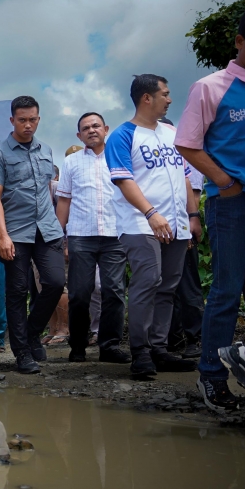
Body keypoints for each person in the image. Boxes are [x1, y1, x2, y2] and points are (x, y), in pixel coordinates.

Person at [176, 2, 245, 411]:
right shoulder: (211, 87)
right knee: (227, 291)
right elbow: (187, 143)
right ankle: (211, 377)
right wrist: (224, 183)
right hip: (231, 202)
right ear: (239, 42)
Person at [105, 74, 199, 380]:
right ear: (147, 97)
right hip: (140, 223)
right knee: (149, 279)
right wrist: (151, 213)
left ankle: (159, 349)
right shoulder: (123, 135)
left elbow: (184, 176)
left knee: (168, 285)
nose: (170, 99)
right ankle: (141, 352)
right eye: (165, 94)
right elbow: (123, 180)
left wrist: (192, 215)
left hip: (176, 224)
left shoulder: (172, 133)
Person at [0, 95, 65, 374]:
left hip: (47, 229)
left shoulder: (46, 150)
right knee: (17, 292)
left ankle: (31, 333)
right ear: (12, 120)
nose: (28, 125)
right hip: (15, 233)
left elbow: (46, 189)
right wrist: (2, 236)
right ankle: (21, 353)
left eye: (32, 120)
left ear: (38, 119)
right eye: (22, 120)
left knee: (55, 282)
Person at [55, 112, 129, 364]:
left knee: (114, 291)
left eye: (96, 125)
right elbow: (64, 200)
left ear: (106, 128)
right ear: (79, 135)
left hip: (115, 234)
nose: (91, 130)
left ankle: (109, 346)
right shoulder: (72, 162)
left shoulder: (120, 156)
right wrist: (60, 236)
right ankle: (77, 346)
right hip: (80, 235)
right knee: (79, 293)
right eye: (85, 128)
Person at [167, 118, 204, 360]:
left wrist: (190, 223)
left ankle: (195, 338)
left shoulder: (186, 157)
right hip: (154, 231)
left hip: (181, 228)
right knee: (164, 289)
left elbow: (194, 192)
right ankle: (172, 338)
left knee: (188, 287)